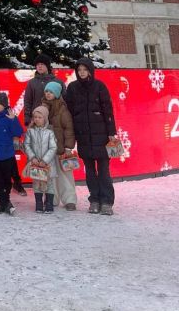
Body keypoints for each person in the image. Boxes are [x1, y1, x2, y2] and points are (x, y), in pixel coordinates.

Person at [65, 58, 117, 216]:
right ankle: (94, 200)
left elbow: (108, 111)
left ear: (90, 70)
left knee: (103, 171)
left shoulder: (100, 86)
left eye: (84, 69)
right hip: (83, 137)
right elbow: (70, 113)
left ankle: (107, 201)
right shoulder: (72, 88)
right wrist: (72, 137)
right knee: (89, 171)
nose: (82, 72)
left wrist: (111, 133)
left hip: (101, 137)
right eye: (79, 69)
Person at [43, 81, 78, 211]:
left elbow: (69, 129)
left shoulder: (63, 109)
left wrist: (69, 147)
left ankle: (69, 199)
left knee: (65, 175)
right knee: (50, 175)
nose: (48, 94)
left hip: (61, 148)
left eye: (51, 91)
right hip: (46, 149)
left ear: (57, 93)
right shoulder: (42, 107)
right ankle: (53, 198)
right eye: (46, 91)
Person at [23, 105, 58, 213]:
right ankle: (38, 203)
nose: (37, 119)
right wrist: (32, 157)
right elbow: (26, 145)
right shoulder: (30, 131)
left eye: (40, 117)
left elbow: (53, 147)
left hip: (47, 164)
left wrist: (45, 160)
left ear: (45, 118)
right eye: (35, 117)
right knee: (36, 183)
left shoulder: (50, 132)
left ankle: (49, 203)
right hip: (35, 163)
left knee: (50, 183)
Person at [23, 54, 65, 126]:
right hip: (37, 119)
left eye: (42, 64)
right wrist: (27, 118)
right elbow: (28, 101)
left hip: (54, 120)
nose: (39, 66)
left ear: (47, 66)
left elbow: (64, 101)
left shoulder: (58, 82)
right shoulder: (31, 82)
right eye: (38, 64)